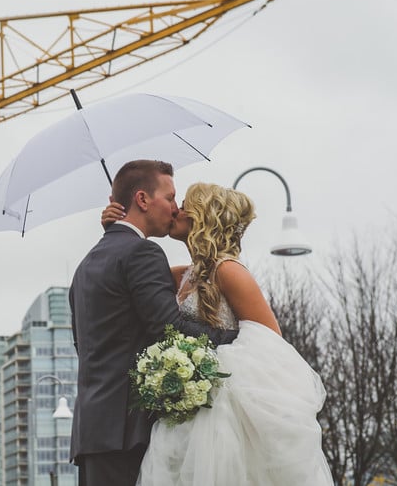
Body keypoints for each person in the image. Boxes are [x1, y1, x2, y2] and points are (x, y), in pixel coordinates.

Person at [101, 181, 333, 485]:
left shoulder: (230, 272)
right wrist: (117, 229)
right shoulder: (183, 276)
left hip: (226, 417)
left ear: (204, 216)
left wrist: (199, 367)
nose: (176, 210)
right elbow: (131, 269)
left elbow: (273, 350)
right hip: (187, 415)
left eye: (184, 205)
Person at [69, 160, 238, 486]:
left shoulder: (86, 265)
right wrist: (237, 338)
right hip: (130, 431)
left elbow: (87, 346)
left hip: (91, 433)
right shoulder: (142, 253)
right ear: (143, 200)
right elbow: (169, 330)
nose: (176, 208)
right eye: (171, 197)